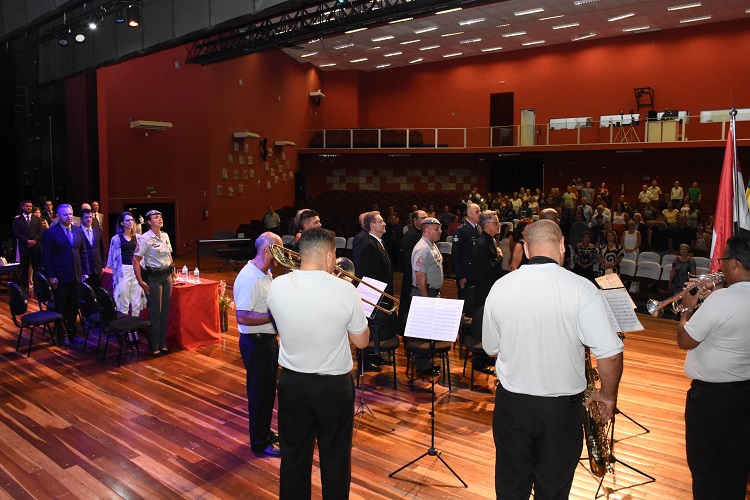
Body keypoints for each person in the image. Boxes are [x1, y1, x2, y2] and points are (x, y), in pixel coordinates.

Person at [482, 220, 624, 499]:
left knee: (511, 487)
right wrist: (608, 395)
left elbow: (490, 349)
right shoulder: (581, 288)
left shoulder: (501, 286)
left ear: (526, 248)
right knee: (554, 489)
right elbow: (609, 353)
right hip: (561, 412)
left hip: (512, 407)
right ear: (561, 245)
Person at [267, 228, 369, 499]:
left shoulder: (276, 286)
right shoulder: (346, 290)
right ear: (328, 256)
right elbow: (361, 342)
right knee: (335, 458)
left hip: (292, 383)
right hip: (333, 387)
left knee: (294, 457)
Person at [676, 235, 750, 499]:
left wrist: (687, 309)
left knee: (706, 469)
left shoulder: (722, 301)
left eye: (723, 260)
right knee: (737, 467)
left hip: (712, 400)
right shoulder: (724, 298)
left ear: (735, 263)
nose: (720, 266)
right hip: (745, 395)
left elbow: (685, 340)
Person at [235, 232, 284, 458]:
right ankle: (259, 442)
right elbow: (242, 316)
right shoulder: (249, 278)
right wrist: (274, 317)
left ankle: (264, 432)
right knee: (259, 394)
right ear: (267, 250)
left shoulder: (266, 274)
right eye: (279, 249)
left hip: (266, 342)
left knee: (266, 392)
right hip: (256, 343)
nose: (282, 254)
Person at [355, 211, 397, 372]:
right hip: (374, 296)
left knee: (376, 329)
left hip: (382, 294)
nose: (384, 223)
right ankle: (366, 361)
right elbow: (368, 275)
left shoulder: (379, 242)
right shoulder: (368, 245)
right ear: (372, 225)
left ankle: (375, 356)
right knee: (371, 328)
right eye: (380, 221)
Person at [41, 203, 88, 346]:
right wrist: (50, 276)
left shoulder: (78, 230)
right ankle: (62, 334)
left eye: (70, 214)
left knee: (74, 306)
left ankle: (72, 332)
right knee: (61, 306)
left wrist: (85, 271)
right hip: (59, 276)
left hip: (76, 275)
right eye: (65, 214)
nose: (69, 217)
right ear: (58, 216)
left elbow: (83, 253)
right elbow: (46, 257)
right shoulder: (50, 232)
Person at [133, 209, 174, 357]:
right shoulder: (145, 239)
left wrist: (172, 271)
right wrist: (141, 281)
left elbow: (169, 254)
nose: (160, 219)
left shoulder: (165, 236)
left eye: (161, 217)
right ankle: (154, 346)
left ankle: (162, 344)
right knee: (155, 313)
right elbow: (136, 260)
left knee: (165, 313)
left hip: (167, 277)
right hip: (154, 278)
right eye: (156, 218)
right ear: (149, 222)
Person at [106, 212, 144, 316]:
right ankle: (124, 327)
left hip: (136, 270)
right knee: (124, 300)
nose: (131, 222)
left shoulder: (138, 237)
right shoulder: (116, 238)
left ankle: (135, 328)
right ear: (122, 223)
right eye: (127, 220)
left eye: (132, 220)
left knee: (136, 301)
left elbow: (142, 255)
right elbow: (112, 257)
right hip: (123, 270)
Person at [399, 210, 427, 327]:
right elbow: (408, 260)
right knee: (409, 303)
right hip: (412, 276)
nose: (425, 219)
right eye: (422, 218)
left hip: (417, 274)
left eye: (426, 217)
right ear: (415, 221)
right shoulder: (410, 235)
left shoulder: (421, 234)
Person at [452, 202, 480, 299]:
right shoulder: (461, 230)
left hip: (475, 272)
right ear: (469, 214)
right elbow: (455, 255)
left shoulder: (478, 229)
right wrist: (461, 275)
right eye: (477, 212)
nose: (480, 214)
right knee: (465, 300)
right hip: (466, 273)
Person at [12, 200, 41, 293]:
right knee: (24, 267)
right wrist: (27, 241)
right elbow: (16, 233)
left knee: (36, 266)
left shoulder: (37, 219)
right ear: (23, 207)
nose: (29, 208)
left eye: (30, 206)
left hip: (35, 247)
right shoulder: (17, 219)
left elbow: (41, 232)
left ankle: (38, 286)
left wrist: (35, 240)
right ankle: (25, 286)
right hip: (24, 246)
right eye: (27, 206)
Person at [80, 208, 105, 289]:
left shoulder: (98, 230)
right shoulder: (77, 231)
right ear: (81, 219)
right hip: (84, 267)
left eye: (90, 217)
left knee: (97, 291)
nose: (89, 219)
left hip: (97, 266)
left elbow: (102, 248)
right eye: (86, 217)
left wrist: (103, 264)